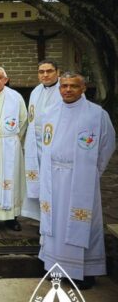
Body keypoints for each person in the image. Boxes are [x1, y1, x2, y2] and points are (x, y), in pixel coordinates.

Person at [37, 72, 115, 289]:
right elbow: (43, 143)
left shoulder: (96, 114)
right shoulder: (50, 113)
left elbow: (107, 145)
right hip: (53, 177)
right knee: (56, 223)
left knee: (83, 224)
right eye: (64, 86)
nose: (68, 90)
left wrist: (92, 172)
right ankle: (55, 267)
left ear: (83, 89)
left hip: (80, 179)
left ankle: (85, 273)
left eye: (73, 86)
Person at [0, 66, 28, 231]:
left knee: (12, 179)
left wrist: (13, 139)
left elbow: (23, 120)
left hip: (10, 145)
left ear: (6, 80)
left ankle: (11, 217)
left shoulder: (16, 97)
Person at [23, 60, 61, 221]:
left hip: (56, 146)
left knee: (55, 185)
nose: (45, 75)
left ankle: (56, 219)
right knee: (40, 183)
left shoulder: (66, 90)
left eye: (49, 71)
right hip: (36, 145)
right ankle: (42, 219)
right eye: (41, 72)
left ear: (58, 72)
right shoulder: (35, 92)